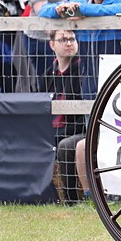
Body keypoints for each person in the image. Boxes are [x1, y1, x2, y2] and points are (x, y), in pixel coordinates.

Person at [39, 30, 90, 202]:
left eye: (72, 39)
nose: (69, 43)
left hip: (77, 130)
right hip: (51, 131)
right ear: (52, 44)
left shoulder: (83, 72)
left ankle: (71, 200)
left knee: (65, 146)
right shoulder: (47, 75)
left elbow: (84, 119)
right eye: (63, 39)